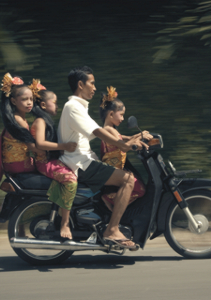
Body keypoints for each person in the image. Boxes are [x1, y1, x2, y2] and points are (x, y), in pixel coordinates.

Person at [58, 66, 149, 249]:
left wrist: (135, 138)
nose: (93, 87)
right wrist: (124, 145)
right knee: (128, 180)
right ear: (80, 84)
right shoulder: (73, 107)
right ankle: (112, 229)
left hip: (84, 160)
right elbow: (98, 132)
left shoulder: (79, 108)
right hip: (80, 163)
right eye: (91, 83)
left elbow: (104, 132)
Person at [0, 73, 44, 228]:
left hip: (15, 164)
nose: (29, 103)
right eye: (24, 99)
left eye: (31, 99)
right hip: (19, 165)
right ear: (13, 101)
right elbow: (33, 148)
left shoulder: (17, 119)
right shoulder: (18, 121)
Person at [28, 79, 78, 240]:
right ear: (43, 105)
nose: (57, 106)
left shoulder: (45, 121)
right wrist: (64, 146)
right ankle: (65, 223)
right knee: (71, 180)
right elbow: (41, 144)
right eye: (54, 102)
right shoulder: (40, 121)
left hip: (51, 161)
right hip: (44, 163)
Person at [98, 86, 148, 211]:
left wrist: (141, 135)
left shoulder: (112, 130)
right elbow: (124, 146)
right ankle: (111, 198)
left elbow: (126, 138)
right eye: (121, 115)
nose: (123, 118)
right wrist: (137, 139)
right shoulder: (108, 130)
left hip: (116, 169)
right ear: (110, 114)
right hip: (113, 171)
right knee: (140, 189)